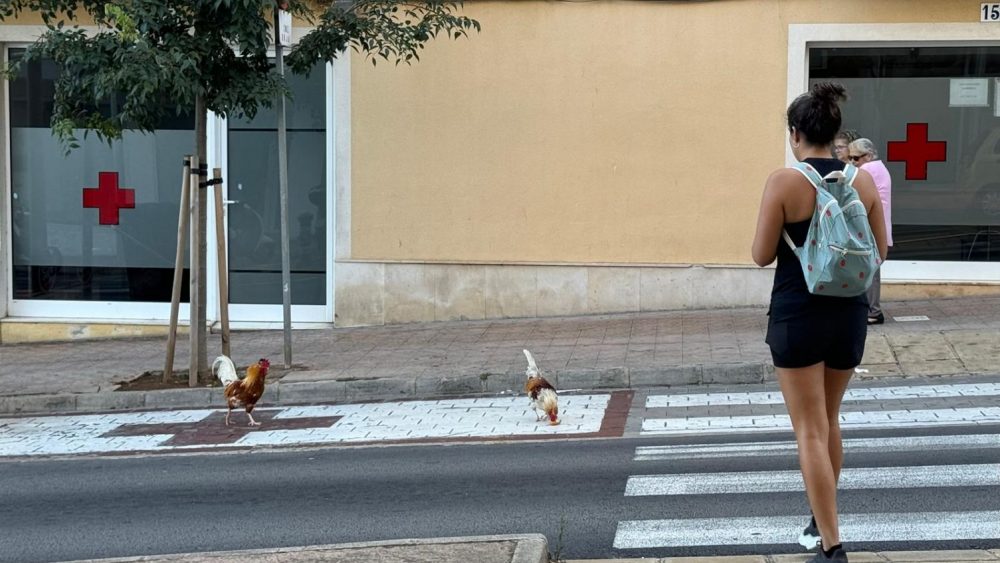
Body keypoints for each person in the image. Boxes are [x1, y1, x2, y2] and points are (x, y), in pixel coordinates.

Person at [751, 82, 888, 563]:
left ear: (795, 134)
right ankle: (820, 514)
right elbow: (881, 251)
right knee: (829, 420)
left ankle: (831, 546)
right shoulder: (863, 181)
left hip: (798, 315)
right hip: (849, 314)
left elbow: (760, 255)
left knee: (808, 429)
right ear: (834, 134)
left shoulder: (785, 183)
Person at [848, 138, 893, 324]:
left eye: (855, 158)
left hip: (871, 226)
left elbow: (849, 188)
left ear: (868, 156)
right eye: (849, 158)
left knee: (871, 271)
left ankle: (873, 311)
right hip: (877, 225)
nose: (851, 162)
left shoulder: (868, 170)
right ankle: (871, 309)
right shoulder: (879, 167)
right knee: (871, 270)